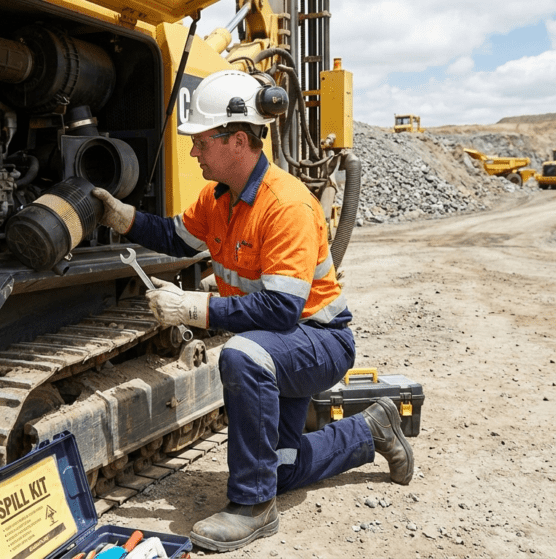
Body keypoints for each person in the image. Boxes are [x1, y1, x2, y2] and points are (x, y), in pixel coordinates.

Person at [92, 69, 414, 552]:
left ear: (237, 140)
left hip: (318, 342)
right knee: (281, 469)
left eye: (201, 142)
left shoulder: (286, 205)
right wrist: (123, 218)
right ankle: (370, 430)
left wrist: (191, 307)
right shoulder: (217, 198)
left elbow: (283, 311)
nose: (194, 152)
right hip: (281, 346)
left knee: (241, 356)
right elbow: (172, 238)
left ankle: (252, 508)